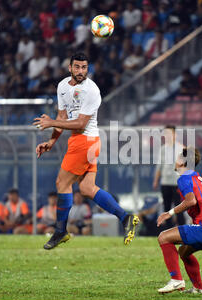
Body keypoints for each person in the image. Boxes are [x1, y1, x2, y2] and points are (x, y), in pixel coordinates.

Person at [33, 52, 139, 250]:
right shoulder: (63, 86)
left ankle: (61, 230)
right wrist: (52, 141)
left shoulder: (91, 90)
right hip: (83, 141)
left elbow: (81, 123)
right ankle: (126, 218)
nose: (81, 71)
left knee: (61, 183)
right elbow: (62, 116)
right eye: (77, 67)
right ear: (70, 67)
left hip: (85, 140)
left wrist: (50, 123)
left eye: (84, 67)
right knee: (87, 188)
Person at [156, 147, 202, 294]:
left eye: (177, 158)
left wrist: (168, 213)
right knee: (183, 252)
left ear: (182, 162)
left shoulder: (184, 178)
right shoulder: (197, 178)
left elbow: (191, 201)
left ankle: (176, 280)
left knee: (163, 237)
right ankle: (199, 288)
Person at [153, 125, 185, 227]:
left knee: (179, 208)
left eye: (169, 133)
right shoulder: (163, 149)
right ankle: (169, 233)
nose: (167, 136)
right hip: (165, 183)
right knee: (166, 209)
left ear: (174, 134)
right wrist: (156, 180)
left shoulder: (182, 148)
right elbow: (159, 166)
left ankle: (183, 232)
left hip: (177, 183)